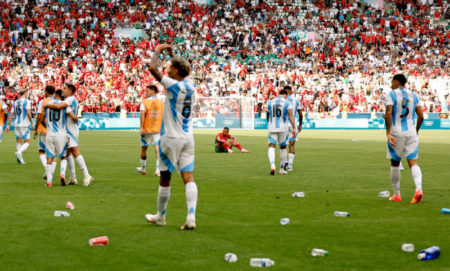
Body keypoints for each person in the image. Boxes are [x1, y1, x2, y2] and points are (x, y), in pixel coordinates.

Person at [144, 44, 198, 230]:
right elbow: (182, 70)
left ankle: (161, 216)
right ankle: (191, 216)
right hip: (188, 138)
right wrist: (173, 57)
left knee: (165, 178)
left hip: (170, 138)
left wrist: (158, 50)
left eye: (169, 67)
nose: (166, 69)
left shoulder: (173, 86)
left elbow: (152, 68)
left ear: (175, 71)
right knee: (188, 177)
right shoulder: (191, 85)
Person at [385, 74, 424, 204]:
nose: (391, 84)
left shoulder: (391, 94)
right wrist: (416, 131)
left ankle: (396, 194)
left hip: (397, 133)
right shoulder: (414, 95)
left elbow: (389, 114)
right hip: (411, 132)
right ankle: (418, 189)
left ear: (396, 82)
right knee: (413, 162)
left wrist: (388, 133)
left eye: (392, 82)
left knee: (395, 163)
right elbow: (421, 116)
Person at [45, 83, 92, 186]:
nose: (62, 90)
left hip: (71, 130)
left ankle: (87, 175)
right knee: (68, 154)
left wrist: (47, 104)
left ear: (70, 91)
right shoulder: (69, 100)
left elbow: (60, 106)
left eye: (65, 88)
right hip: (66, 131)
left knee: (75, 152)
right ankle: (73, 178)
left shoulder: (70, 99)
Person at [42, 89, 77, 186]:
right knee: (63, 157)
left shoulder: (47, 104)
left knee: (50, 157)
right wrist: (76, 120)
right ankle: (62, 174)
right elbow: (72, 117)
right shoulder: (64, 105)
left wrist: (48, 126)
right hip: (61, 134)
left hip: (49, 134)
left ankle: (49, 181)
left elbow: (43, 118)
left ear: (54, 95)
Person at [267, 88, 296, 175]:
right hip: (283, 128)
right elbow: (291, 116)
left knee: (271, 146)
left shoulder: (270, 102)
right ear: (285, 96)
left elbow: (267, 115)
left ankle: (272, 165)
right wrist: (294, 128)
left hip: (272, 127)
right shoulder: (287, 102)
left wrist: (270, 123)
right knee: (283, 147)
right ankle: (281, 169)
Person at [137, 85, 164, 176]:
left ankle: (143, 168)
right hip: (157, 129)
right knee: (157, 149)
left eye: (147, 91)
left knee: (144, 148)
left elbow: (142, 114)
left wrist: (141, 127)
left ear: (153, 91)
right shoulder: (161, 102)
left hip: (147, 129)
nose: (146, 93)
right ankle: (158, 170)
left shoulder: (144, 102)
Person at [5, 89, 33, 165]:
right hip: (24, 124)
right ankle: (19, 152)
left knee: (18, 141)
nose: (27, 94)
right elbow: (28, 113)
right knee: (27, 142)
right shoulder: (27, 101)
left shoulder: (15, 102)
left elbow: (11, 115)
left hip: (16, 124)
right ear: (25, 93)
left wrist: (8, 125)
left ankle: (20, 159)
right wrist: (31, 122)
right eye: (27, 93)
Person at [34, 85, 55, 179]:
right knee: (52, 153)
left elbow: (39, 116)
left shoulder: (43, 102)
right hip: (55, 130)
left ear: (46, 92)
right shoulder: (58, 102)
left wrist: (35, 129)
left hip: (44, 129)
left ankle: (47, 171)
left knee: (41, 150)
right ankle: (50, 172)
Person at [285, 86, 303, 171]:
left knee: (283, 144)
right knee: (292, 144)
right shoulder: (296, 100)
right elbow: (300, 114)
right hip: (293, 124)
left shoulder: (282, 100)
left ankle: (284, 162)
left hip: (283, 124)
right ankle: (290, 165)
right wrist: (300, 125)